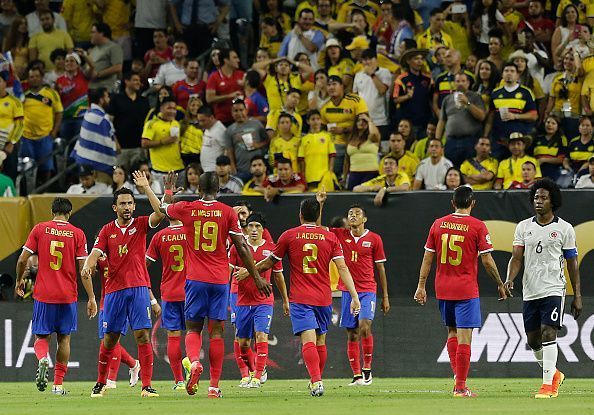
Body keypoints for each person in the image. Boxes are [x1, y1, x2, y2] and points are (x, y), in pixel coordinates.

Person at [140, 171, 271, 398]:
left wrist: (169, 192)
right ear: (218, 189)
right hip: (220, 280)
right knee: (217, 333)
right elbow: (241, 246)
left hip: (195, 280)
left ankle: (194, 362)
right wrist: (257, 277)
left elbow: (162, 210)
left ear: (198, 189)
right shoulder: (227, 212)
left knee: (193, 329)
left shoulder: (187, 208)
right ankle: (213, 386)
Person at [234, 197, 361, 397]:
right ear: (318, 215)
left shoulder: (289, 236)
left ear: (300, 215)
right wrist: (354, 296)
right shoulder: (330, 237)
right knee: (320, 341)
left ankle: (316, 381)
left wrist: (248, 272)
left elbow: (269, 263)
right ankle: (318, 380)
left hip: (301, 297)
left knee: (308, 341)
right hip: (323, 297)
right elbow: (342, 267)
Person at [414, 185, 509, 397]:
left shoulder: (438, 224)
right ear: (473, 203)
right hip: (466, 289)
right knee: (465, 337)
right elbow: (487, 260)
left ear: (452, 203)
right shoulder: (477, 226)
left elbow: (428, 258)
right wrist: (500, 283)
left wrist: (421, 285)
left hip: (443, 287)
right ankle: (460, 387)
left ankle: (458, 380)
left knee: (452, 332)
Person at [82, 184, 169, 398]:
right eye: (123, 203)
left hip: (139, 288)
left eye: (130, 203)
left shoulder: (140, 224)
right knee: (110, 340)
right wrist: (88, 265)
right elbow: (94, 253)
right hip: (114, 292)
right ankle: (101, 383)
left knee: (142, 336)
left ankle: (146, 386)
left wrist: (147, 188)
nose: (127, 207)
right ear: (115, 207)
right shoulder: (106, 230)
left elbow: (160, 212)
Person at [505, 179, 581, 398]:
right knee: (533, 340)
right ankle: (554, 373)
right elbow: (516, 258)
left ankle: (548, 385)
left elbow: (572, 263)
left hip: (554, 288)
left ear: (553, 201)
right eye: (536, 197)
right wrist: (510, 279)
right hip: (530, 290)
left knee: (549, 332)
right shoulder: (523, 227)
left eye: (544, 198)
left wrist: (577, 295)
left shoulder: (564, 228)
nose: (538, 201)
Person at [15, 197, 96, 395]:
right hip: (67, 296)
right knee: (64, 339)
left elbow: (22, 260)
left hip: (44, 294)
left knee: (41, 336)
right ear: (69, 213)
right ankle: (58, 386)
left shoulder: (40, 229)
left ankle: (43, 358)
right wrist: (92, 297)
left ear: (52, 212)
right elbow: (84, 270)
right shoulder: (78, 234)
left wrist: (19, 280)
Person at [318, 195, 388, 386]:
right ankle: (357, 375)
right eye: (350, 214)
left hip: (367, 290)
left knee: (365, 326)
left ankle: (367, 369)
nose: (353, 216)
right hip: (347, 291)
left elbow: (381, 268)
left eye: (357, 213)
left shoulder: (374, 239)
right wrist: (321, 204)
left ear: (364, 219)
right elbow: (317, 228)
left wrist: (385, 296)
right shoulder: (340, 235)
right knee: (352, 333)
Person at [228, 212, 289, 388]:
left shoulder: (272, 249)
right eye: (251, 226)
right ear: (246, 228)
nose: (254, 230)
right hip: (242, 300)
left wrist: (285, 299)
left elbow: (279, 276)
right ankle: (251, 370)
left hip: (264, 300)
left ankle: (256, 376)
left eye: (258, 226)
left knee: (261, 335)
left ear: (263, 229)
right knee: (244, 343)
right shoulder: (237, 247)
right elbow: (227, 272)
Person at [145, 218, 188, 390]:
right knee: (194, 333)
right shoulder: (192, 232)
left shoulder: (159, 236)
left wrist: (151, 297)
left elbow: (143, 266)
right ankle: (192, 364)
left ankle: (179, 381)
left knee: (173, 336)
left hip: (169, 292)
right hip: (192, 291)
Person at [94, 249, 141, 390]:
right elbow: (90, 268)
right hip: (105, 304)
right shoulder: (100, 261)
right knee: (106, 341)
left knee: (114, 341)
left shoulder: (124, 257)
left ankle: (111, 379)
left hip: (121, 302)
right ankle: (133, 364)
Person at [485, 62, 538, 160]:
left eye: (512, 71)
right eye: (506, 71)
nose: (509, 73)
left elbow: (534, 115)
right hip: (499, 140)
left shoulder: (526, 92)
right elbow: (491, 116)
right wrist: (485, 135)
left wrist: (515, 116)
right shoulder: (495, 93)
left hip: (519, 141)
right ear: (502, 74)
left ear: (517, 75)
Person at [321, 75, 369, 179]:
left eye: (334, 84)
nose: (331, 87)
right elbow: (323, 128)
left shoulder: (355, 100)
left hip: (356, 143)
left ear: (342, 86)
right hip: (335, 146)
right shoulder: (324, 107)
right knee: (336, 177)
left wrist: (344, 130)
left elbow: (366, 123)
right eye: (328, 85)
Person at [21, 67, 63, 181]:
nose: (34, 79)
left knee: (46, 166)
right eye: (31, 77)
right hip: (26, 136)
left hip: (45, 135)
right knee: (27, 166)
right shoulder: (23, 94)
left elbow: (59, 113)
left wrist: (54, 131)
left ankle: (45, 190)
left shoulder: (51, 93)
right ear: (28, 79)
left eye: (37, 76)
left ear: (41, 78)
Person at [437, 72, 486, 168]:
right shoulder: (447, 99)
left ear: (468, 83)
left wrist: (467, 103)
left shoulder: (475, 97)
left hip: (470, 140)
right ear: (454, 83)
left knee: (471, 169)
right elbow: (442, 121)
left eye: (463, 81)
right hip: (451, 141)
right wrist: (438, 141)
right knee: (451, 169)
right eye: (458, 81)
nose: (460, 83)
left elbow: (481, 117)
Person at [71, 88, 116, 185]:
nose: (109, 99)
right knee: (101, 197)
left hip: (84, 163)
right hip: (99, 168)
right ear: (101, 100)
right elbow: (112, 144)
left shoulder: (88, 113)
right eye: (107, 97)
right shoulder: (103, 118)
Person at [109, 72, 151, 172]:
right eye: (135, 80)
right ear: (127, 81)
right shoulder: (116, 99)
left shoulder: (144, 100)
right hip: (122, 147)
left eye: (139, 81)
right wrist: (115, 142)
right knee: (121, 176)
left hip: (139, 147)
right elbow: (109, 123)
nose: (138, 83)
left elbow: (148, 124)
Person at [141, 96, 184, 183]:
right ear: (161, 108)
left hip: (179, 169)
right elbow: (144, 143)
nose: (172, 111)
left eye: (174, 109)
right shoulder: (151, 124)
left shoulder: (176, 123)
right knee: (162, 197)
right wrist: (162, 142)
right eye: (169, 108)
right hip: (160, 172)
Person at [225, 98, 269, 182]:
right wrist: (233, 168)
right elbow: (229, 151)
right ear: (232, 113)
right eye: (236, 111)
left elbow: (267, 141)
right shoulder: (229, 130)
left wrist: (258, 145)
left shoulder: (256, 124)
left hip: (259, 169)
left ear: (246, 110)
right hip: (241, 170)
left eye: (241, 110)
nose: (239, 113)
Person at [393, 48, 434, 138]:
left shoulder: (428, 78)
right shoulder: (401, 79)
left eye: (421, 59)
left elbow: (432, 98)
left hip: (425, 121)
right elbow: (395, 99)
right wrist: (407, 96)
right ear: (408, 61)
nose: (419, 61)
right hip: (409, 123)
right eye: (416, 59)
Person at [352, 49, 391, 139]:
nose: (367, 62)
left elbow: (382, 90)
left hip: (380, 120)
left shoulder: (384, 72)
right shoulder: (358, 75)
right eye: (365, 59)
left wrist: (372, 75)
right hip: (363, 121)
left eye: (370, 59)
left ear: (376, 60)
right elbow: (355, 96)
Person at [55, 51, 94, 141]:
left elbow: (92, 66)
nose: (69, 63)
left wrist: (85, 56)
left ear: (78, 65)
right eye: (67, 61)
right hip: (65, 118)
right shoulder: (59, 80)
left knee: (80, 144)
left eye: (72, 61)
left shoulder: (83, 76)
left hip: (81, 118)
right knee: (66, 145)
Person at [298, 110, 336, 190]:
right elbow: (301, 159)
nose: (316, 121)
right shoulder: (304, 139)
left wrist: (330, 171)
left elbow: (332, 155)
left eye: (318, 119)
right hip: (310, 175)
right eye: (313, 119)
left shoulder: (327, 136)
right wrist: (303, 175)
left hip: (324, 175)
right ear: (308, 121)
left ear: (321, 121)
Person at [206, 48, 244, 126]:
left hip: (241, 118)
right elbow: (209, 99)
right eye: (235, 57)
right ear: (226, 60)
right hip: (223, 121)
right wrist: (229, 96)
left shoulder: (241, 74)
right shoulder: (214, 77)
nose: (238, 60)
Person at [344, 113, 380, 190]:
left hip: (371, 172)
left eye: (364, 121)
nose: (361, 122)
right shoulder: (350, 138)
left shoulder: (372, 137)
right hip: (354, 173)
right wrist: (344, 178)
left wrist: (369, 120)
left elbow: (374, 133)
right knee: (353, 199)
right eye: (359, 120)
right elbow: (347, 161)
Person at [88, 23, 124, 91]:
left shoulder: (114, 47)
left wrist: (98, 74)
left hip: (105, 89)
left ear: (101, 33)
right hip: (91, 88)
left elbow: (118, 67)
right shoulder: (94, 49)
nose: (90, 35)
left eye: (93, 32)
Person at [197, 105, 227, 173]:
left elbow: (228, 149)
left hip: (214, 171)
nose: (201, 123)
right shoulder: (207, 128)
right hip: (206, 170)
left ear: (211, 117)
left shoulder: (220, 130)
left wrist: (223, 167)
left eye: (203, 121)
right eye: (199, 121)